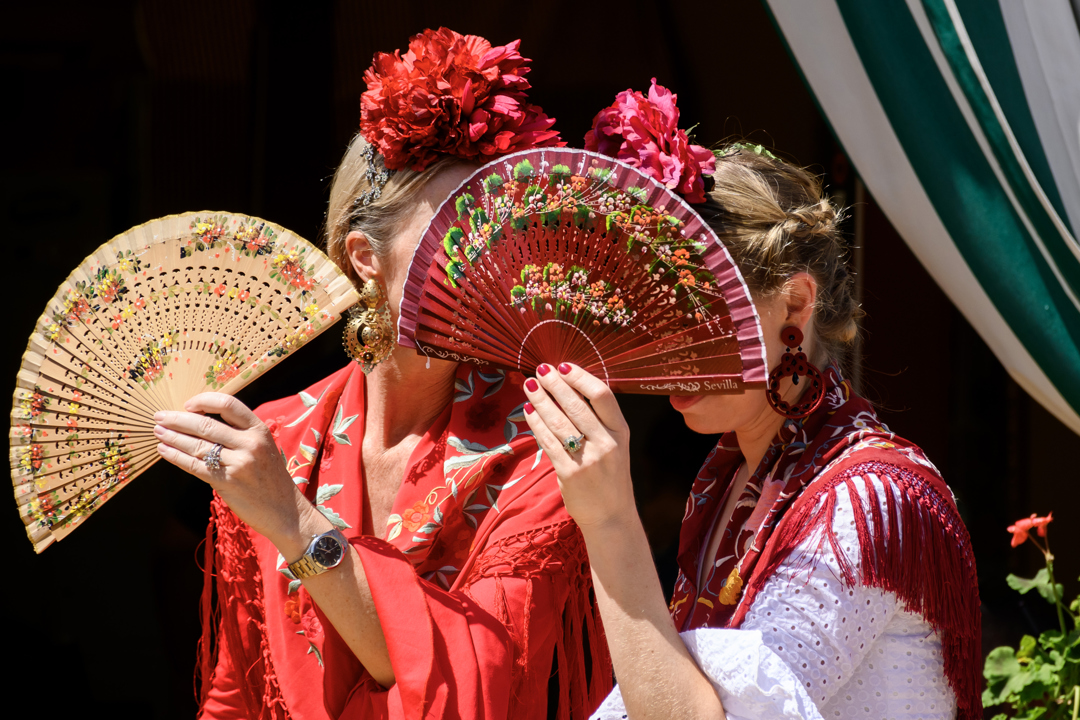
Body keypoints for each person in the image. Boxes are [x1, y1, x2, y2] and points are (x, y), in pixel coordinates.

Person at [153, 28, 611, 720]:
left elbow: (479, 680)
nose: (486, 265)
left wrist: (294, 521)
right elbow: (236, 693)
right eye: (456, 234)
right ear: (366, 256)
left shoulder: (543, 444)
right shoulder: (273, 442)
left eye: (500, 233)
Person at [521, 81, 982, 720]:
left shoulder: (866, 500)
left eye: (691, 318)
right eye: (644, 323)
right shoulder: (735, 478)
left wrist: (610, 522)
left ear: (794, 304)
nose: (661, 354)